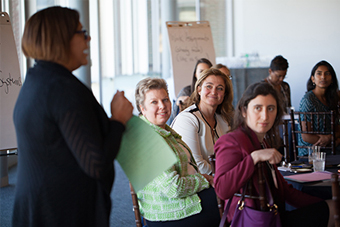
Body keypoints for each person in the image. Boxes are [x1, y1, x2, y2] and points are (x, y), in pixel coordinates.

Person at [12, 6, 133, 227]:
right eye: (82, 32)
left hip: (39, 204)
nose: (88, 39)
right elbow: (95, 163)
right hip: (60, 211)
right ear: (60, 38)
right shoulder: (62, 89)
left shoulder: (37, 79)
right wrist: (118, 121)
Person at [214, 82, 332, 227]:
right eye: (258, 108)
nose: (265, 116)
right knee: (333, 210)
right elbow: (222, 190)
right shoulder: (231, 140)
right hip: (251, 220)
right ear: (244, 111)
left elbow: (285, 192)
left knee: (331, 206)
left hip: (272, 216)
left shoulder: (263, 142)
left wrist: (322, 203)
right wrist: (254, 158)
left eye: (271, 108)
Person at [135, 77, 220, 227]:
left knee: (230, 196)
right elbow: (174, 188)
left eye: (165, 99)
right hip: (168, 213)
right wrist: (204, 180)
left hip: (181, 200)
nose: (162, 106)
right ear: (143, 108)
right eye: (154, 102)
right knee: (232, 204)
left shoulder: (163, 130)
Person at [171, 68, 233, 174]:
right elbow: (196, 166)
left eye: (220, 88)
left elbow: (230, 157)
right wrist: (226, 175)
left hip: (218, 180)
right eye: (209, 86)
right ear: (199, 90)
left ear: (224, 95)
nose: (214, 92)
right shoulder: (187, 119)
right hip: (195, 185)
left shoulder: (223, 121)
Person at [298, 60, 340, 156]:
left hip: (332, 147)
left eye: (327, 74)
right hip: (311, 151)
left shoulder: (334, 99)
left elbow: (338, 130)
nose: (323, 77)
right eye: (319, 74)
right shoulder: (308, 99)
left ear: (332, 79)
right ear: (313, 79)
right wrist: (329, 141)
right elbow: (305, 136)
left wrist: (330, 138)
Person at [169, 58, 213, 123]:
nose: (204, 75)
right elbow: (174, 117)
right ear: (195, 74)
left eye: (207, 72)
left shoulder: (213, 92)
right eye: (201, 71)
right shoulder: (186, 91)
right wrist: (178, 104)